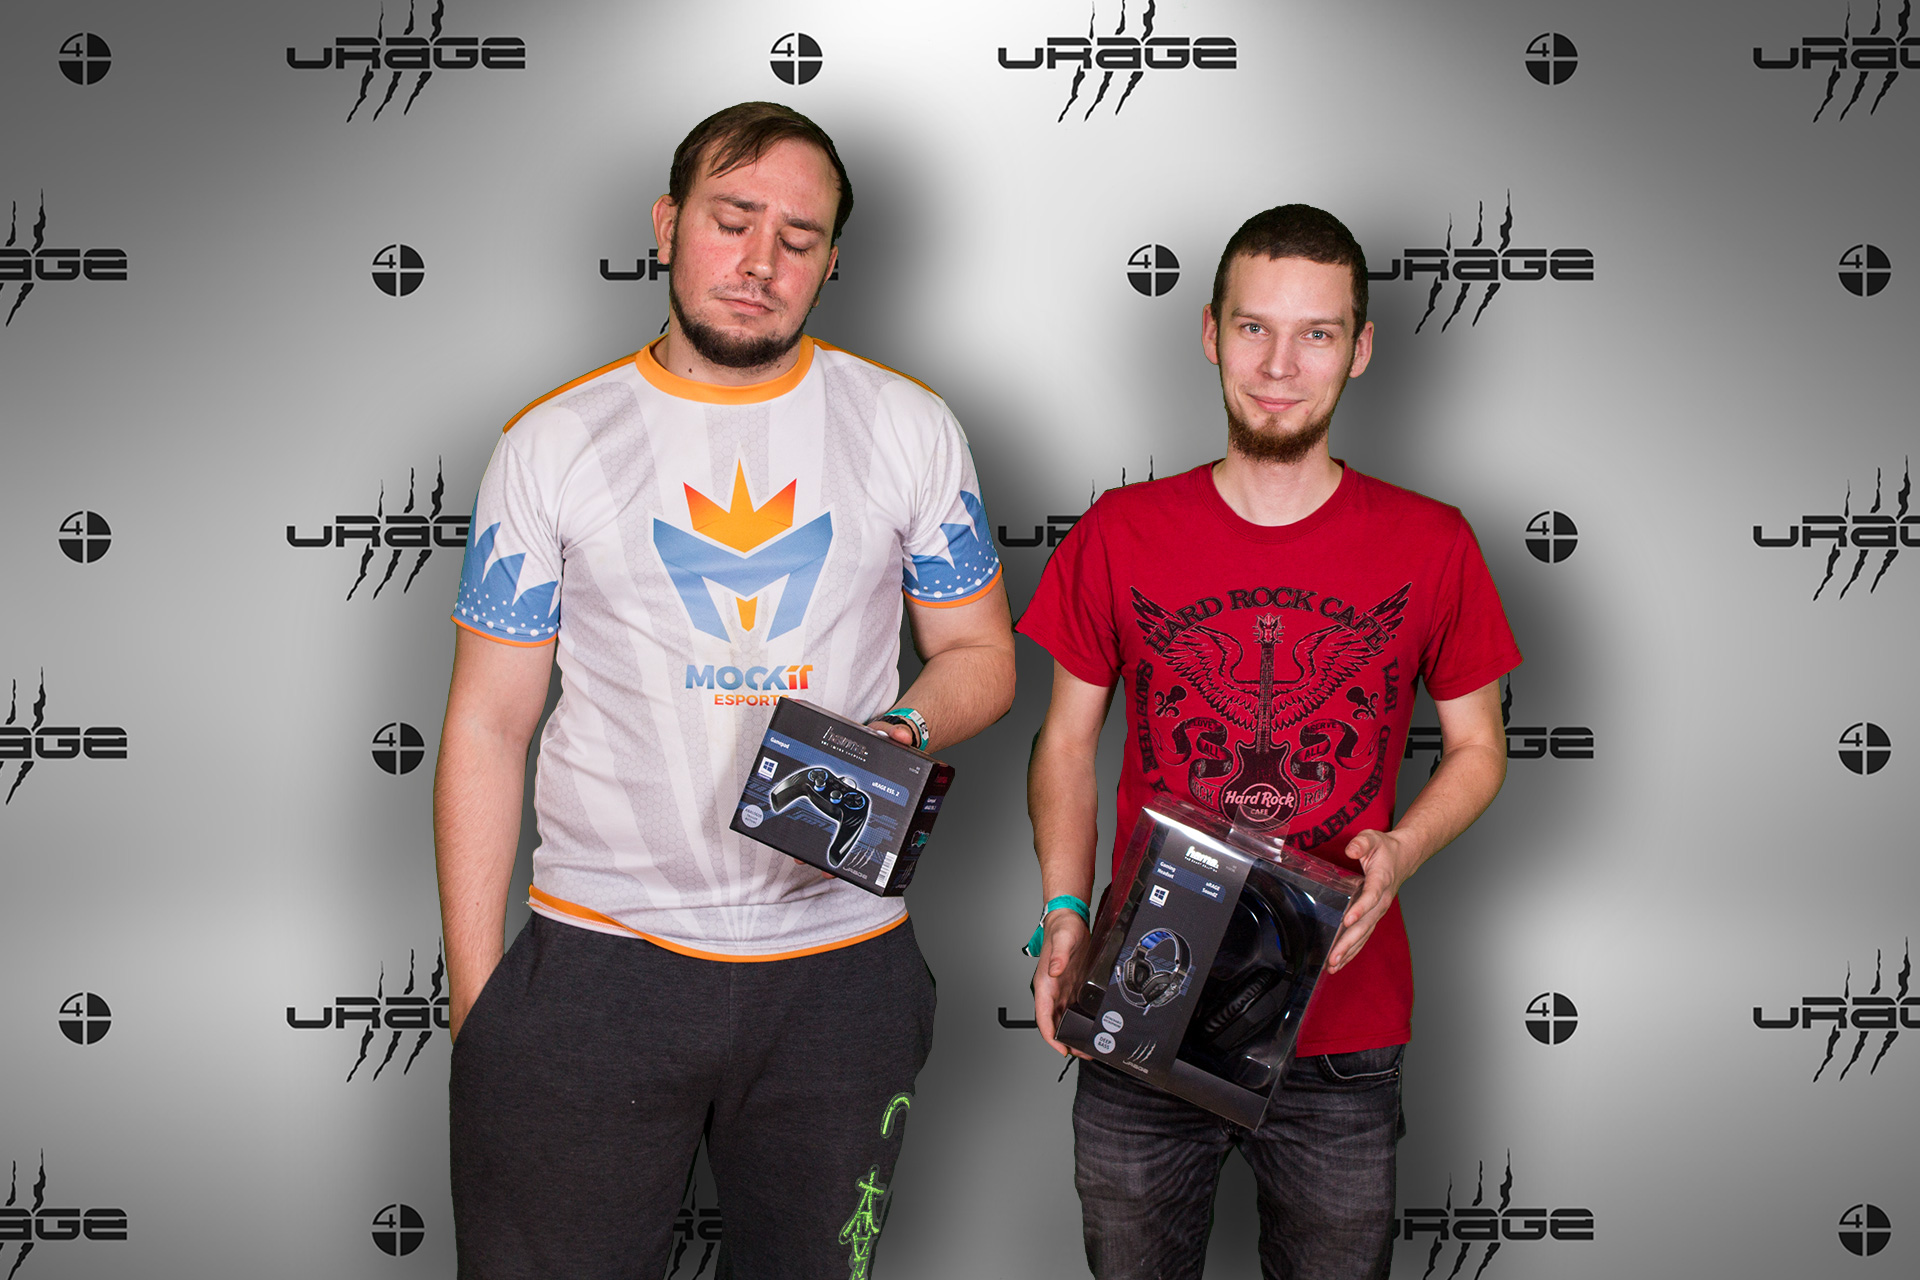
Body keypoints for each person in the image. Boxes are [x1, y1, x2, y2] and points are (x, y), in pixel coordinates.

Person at [433, 101, 1015, 1279]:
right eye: (732, 220)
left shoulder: (909, 425)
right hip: (596, 964)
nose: (760, 262)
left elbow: (981, 654)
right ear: (666, 224)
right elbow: (489, 723)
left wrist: (899, 725)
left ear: (833, 260)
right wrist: (479, 1004)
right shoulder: (552, 441)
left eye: (799, 238)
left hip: (841, 972)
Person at [1018, 204, 1521, 1280]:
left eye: (1317, 333)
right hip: (1145, 1000)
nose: (1281, 366)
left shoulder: (1432, 542)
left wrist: (1404, 848)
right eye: (1254, 328)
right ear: (1210, 333)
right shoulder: (1120, 531)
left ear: (1361, 347)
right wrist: (1062, 911)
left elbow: (1479, 745)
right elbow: (1065, 743)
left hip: (1343, 1027)